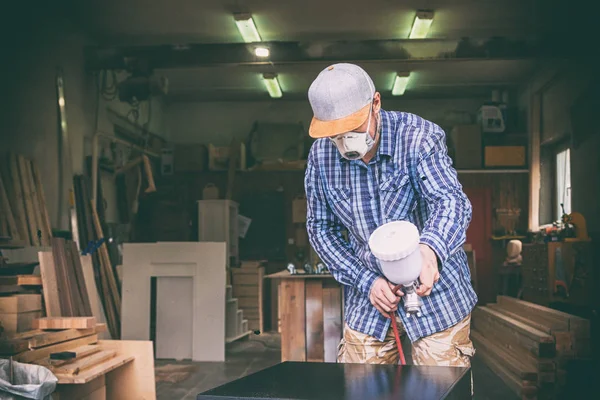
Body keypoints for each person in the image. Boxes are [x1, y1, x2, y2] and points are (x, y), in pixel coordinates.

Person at [304, 63, 478, 367]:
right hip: (369, 296)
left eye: (353, 129)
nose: (345, 142)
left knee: (443, 388)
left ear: (376, 104)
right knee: (361, 387)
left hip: (438, 294)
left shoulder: (418, 138)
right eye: (335, 134)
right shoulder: (321, 157)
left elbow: (451, 201)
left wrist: (430, 251)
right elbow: (321, 229)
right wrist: (366, 281)